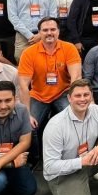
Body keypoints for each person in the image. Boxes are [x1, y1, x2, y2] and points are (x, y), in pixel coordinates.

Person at [17, 17, 82, 163]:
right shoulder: (28, 53)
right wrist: (27, 114)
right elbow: (23, 85)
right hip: (38, 95)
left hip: (64, 92)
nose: (49, 33)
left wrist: (73, 105)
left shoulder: (69, 48)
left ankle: (71, 158)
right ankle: (35, 161)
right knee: (27, 126)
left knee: (75, 119)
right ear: (39, 33)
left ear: (58, 31)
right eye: (45, 30)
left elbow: (76, 77)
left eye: (53, 29)